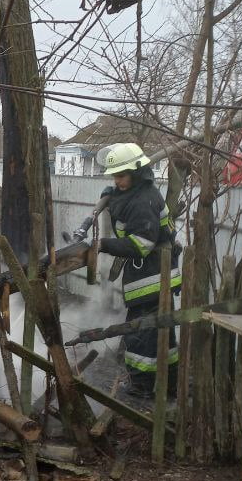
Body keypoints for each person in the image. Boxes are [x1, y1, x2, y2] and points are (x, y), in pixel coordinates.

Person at [97, 142, 180, 398]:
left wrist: (103, 244)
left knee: (140, 337)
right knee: (161, 335)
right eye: (114, 176)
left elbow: (140, 245)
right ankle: (168, 387)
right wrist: (111, 192)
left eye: (121, 175)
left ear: (136, 172)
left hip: (152, 278)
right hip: (156, 276)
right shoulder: (139, 191)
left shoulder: (143, 201)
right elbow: (124, 200)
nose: (117, 180)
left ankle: (141, 388)